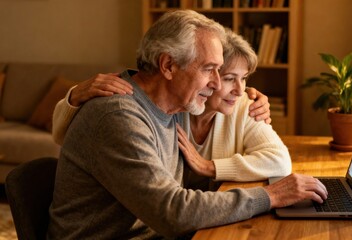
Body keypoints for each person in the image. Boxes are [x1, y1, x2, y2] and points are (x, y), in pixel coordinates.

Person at [48, 10, 327, 239]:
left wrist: (247, 99)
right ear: (168, 66)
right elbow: (172, 212)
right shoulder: (119, 117)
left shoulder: (173, 106)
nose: (217, 83)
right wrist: (269, 196)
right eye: (209, 69)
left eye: (221, 71)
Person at [53, 29, 292, 192]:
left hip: (196, 216)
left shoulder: (245, 106)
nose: (239, 89)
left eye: (245, 79)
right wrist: (74, 97)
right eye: (227, 77)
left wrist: (210, 166)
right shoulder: (172, 105)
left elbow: (279, 161)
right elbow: (66, 136)